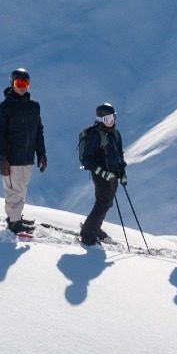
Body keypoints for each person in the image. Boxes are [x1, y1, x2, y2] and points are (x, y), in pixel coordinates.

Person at [0, 67, 47, 235]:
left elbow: (39, 131)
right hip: (11, 157)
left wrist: (42, 154)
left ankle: (15, 217)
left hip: (28, 156)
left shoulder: (34, 107)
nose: (22, 86)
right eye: (19, 83)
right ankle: (14, 223)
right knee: (13, 192)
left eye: (26, 83)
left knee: (21, 190)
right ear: (12, 84)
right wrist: (2, 157)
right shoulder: (4, 107)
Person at [77, 102, 127, 246]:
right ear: (100, 120)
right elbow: (87, 160)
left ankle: (95, 228)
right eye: (108, 119)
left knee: (107, 203)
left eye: (113, 117)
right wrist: (103, 173)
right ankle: (88, 233)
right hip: (100, 175)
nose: (111, 121)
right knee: (102, 203)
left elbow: (119, 155)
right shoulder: (95, 135)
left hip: (113, 175)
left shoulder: (115, 134)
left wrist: (122, 172)